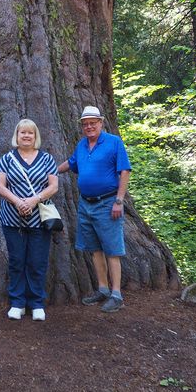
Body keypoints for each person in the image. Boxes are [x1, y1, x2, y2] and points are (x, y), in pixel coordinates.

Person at [57, 106, 131, 313]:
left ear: (101, 122)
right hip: (86, 204)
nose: (89, 126)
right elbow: (71, 164)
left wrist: (119, 200)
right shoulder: (82, 145)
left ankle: (116, 295)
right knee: (95, 249)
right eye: (85, 124)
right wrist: (51, 171)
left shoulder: (113, 142)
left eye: (93, 122)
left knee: (112, 249)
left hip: (108, 203)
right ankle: (103, 289)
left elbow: (124, 171)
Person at [0, 118, 59, 322]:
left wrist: (33, 200)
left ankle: (37, 303)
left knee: (37, 262)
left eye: (30, 133)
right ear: (17, 135)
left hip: (40, 218)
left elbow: (53, 186)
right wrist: (17, 202)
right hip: (12, 218)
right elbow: (0, 186)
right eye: (22, 132)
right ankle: (17, 302)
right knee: (16, 261)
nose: (26, 136)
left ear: (35, 136)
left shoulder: (47, 158)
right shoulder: (7, 159)